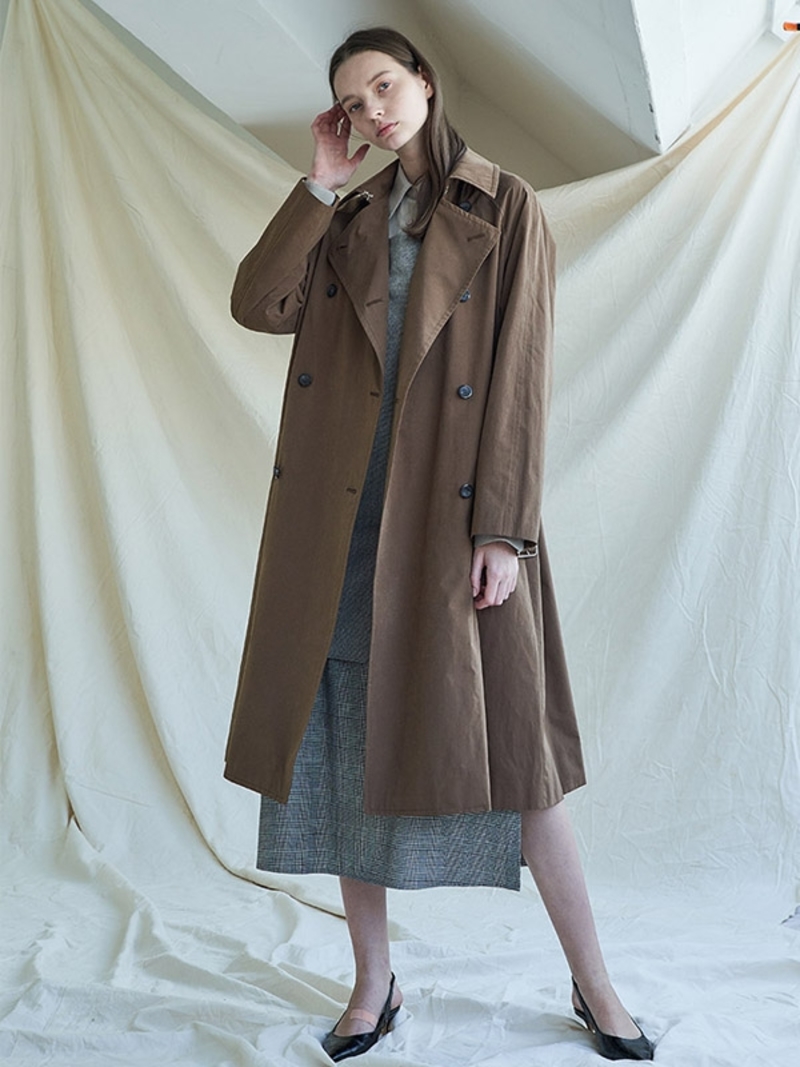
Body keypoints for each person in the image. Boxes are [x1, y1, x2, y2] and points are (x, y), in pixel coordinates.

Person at [224, 26, 655, 1064]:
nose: (373, 111)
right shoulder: (348, 213)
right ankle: (373, 984)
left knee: (517, 757)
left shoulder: (506, 206)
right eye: (352, 103)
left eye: (383, 86)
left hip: (454, 518)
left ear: (423, 81)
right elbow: (258, 303)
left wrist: (502, 528)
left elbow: (520, 373)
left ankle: (594, 981)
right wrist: (320, 183)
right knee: (342, 747)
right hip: (343, 516)